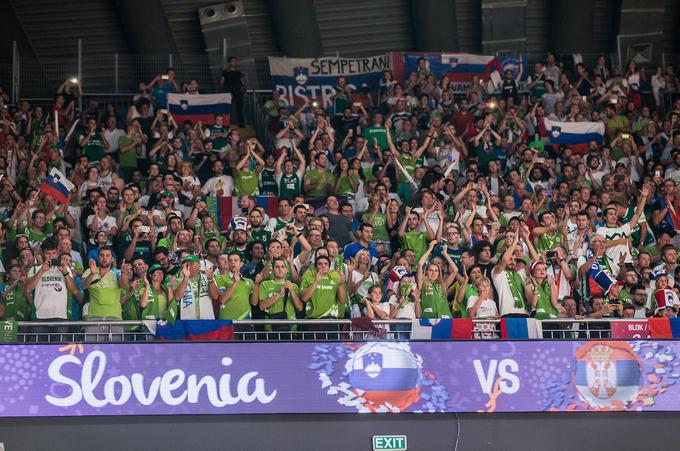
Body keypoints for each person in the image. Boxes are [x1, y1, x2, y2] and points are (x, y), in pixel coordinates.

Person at [24, 238, 82, 341]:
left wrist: (64, 272)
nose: (51, 256)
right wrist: (42, 270)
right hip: (39, 318)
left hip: (60, 317)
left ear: (58, 252)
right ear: (42, 253)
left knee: (60, 352)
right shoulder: (34, 269)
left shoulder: (65, 269)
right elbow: (28, 289)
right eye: (48, 253)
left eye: (53, 253)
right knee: (37, 351)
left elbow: (74, 290)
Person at [81, 246, 129, 340]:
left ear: (112, 259)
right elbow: (83, 286)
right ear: (98, 257)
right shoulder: (89, 271)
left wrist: (123, 273)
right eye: (102, 255)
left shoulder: (117, 272)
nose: (104, 258)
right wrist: (92, 273)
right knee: (93, 348)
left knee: (115, 351)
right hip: (94, 317)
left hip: (115, 317)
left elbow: (125, 286)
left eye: (107, 255)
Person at [220, 56, 245, 128]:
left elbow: (243, 83)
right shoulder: (225, 72)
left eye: (235, 61)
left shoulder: (239, 73)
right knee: (227, 109)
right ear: (229, 62)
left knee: (239, 109)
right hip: (228, 93)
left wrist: (243, 91)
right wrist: (224, 92)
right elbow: (221, 83)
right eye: (233, 61)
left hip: (238, 92)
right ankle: (226, 124)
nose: (234, 62)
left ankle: (241, 125)